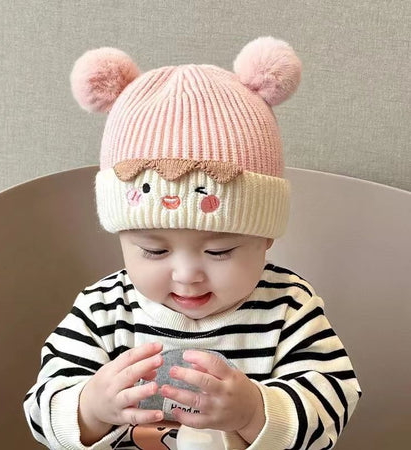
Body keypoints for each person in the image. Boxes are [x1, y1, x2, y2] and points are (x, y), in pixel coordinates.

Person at [23, 36, 361, 450]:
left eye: (219, 251)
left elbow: (333, 402)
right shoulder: (103, 309)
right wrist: (90, 408)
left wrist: (254, 412)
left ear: (266, 237)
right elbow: (41, 409)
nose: (186, 275)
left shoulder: (288, 306)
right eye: (154, 250)